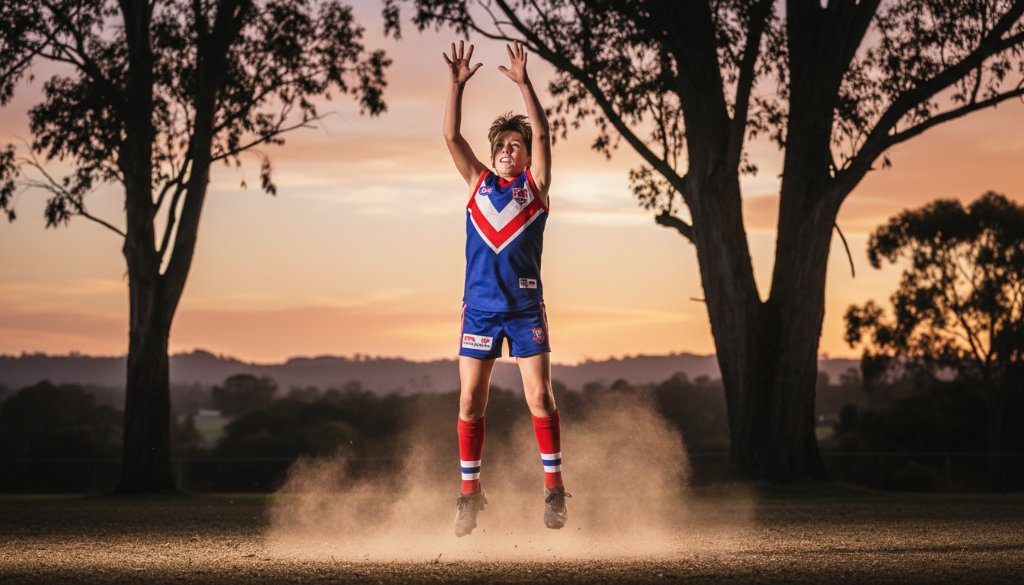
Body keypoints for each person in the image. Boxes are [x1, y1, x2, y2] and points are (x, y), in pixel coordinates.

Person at [442, 40, 567, 538]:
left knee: (540, 396)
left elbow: (543, 131)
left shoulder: (534, 189)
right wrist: (456, 86)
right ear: (492, 155)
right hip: (480, 312)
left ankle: (554, 490)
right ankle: (470, 496)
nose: (508, 150)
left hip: (523, 309)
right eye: (501, 146)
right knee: (470, 402)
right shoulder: (477, 185)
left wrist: (523, 82)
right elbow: (451, 135)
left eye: (516, 144)